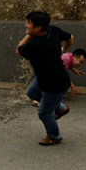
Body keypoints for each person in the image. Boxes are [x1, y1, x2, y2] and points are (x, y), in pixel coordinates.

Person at [16, 11, 72, 146]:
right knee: (32, 93)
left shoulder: (34, 45)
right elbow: (71, 37)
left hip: (53, 84)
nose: (26, 26)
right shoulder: (53, 30)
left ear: (38, 27)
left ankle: (54, 136)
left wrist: (28, 35)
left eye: (29, 24)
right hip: (51, 78)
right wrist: (64, 49)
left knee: (44, 113)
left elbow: (19, 49)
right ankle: (60, 108)